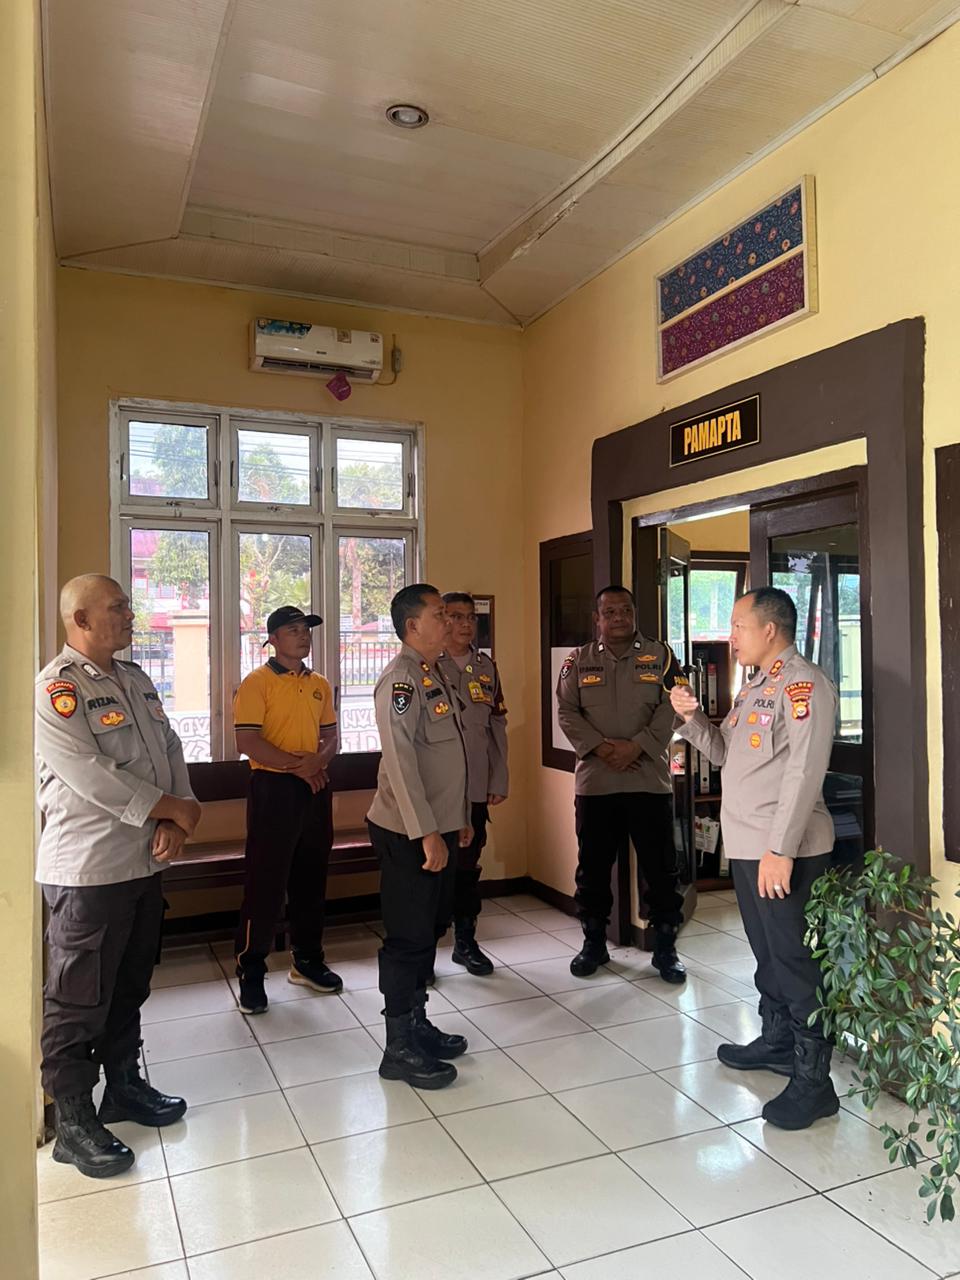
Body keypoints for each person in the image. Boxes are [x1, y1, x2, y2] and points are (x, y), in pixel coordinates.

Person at [36, 574, 201, 1179]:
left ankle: (124, 1085)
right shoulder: (57, 689)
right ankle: (73, 1119)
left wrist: (180, 815)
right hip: (90, 868)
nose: (130, 615)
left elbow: (170, 749)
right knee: (77, 998)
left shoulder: (134, 679)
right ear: (80, 619)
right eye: (118, 607)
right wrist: (168, 808)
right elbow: (89, 773)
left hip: (143, 860)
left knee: (130, 983)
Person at [670, 586, 839, 1130]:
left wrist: (780, 849)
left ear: (770, 629)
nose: (731, 637)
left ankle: (815, 1084)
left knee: (794, 959)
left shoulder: (803, 685)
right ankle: (778, 1043)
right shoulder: (753, 688)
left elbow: (804, 772)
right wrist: (693, 718)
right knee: (767, 955)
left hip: (783, 849)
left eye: (738, 626)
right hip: (748, 847)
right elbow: (724, 753)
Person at [367, 584, 473, 1089]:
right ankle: (398, 1047)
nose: (449, 622)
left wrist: (458, 817)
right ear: (413, 626)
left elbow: (450, 754)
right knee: (407, 938)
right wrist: (427, 830)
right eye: (439, 614)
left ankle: (417, 1022)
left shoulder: (435, 672)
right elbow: (401, 761)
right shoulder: (401, 680)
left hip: (440, 825)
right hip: (408, 830)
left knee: (429, 929)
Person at [556, 585, 686, 984]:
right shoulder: (578, 660)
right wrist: (601, 748)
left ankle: (665, 949)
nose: (618, 617)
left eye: (625, 610)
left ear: (634, 613)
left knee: (661, 870)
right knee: (593, 869)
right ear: (597, 618)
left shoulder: (661, 656)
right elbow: (566, 710)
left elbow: (675, 703)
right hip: (597, 783)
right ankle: (593, 943)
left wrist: (638, 746)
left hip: (649, 781)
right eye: (609, 611)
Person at [233, 605, 341, 1015]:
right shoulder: (256, 683)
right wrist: (301, 767)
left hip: (315, 787)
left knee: (311, 878)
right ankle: (251, 969)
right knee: (265, 883)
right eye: (293, 630)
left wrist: (318, 761)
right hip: (274, 788)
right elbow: (247, 742)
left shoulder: (319, 684)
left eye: (306, 630)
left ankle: (307, 960)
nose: (303, 636)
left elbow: (331, 737)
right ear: (273, 639)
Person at [436, 592, 509, 976]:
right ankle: (424, 949)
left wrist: (499, 777)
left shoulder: (486, 667)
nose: (465, 624)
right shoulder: (426, 665)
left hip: (475, 787)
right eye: (455, 616)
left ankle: (465, 942)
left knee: (467, 867)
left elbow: (497, 725)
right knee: (431, 869)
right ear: (441, 620)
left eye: (470, 617)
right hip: (437, 790)